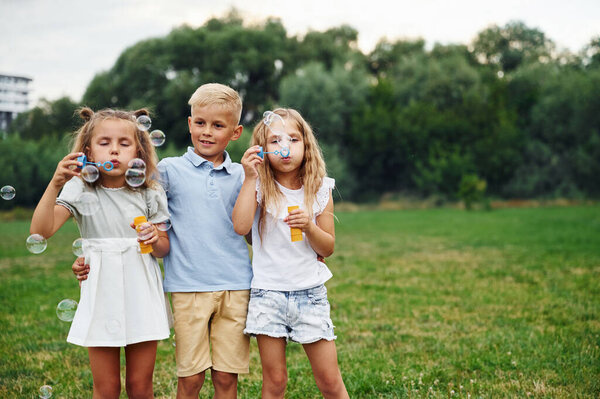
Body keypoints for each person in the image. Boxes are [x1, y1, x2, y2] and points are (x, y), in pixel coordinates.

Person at [76, 83, 253, 399]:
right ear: (189, 123)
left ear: (236, 132)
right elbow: (128, 199)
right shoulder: (168, 170)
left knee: (227, 379)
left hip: (236, 286)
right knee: (191, 378)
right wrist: (91, 251)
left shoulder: (242, 175)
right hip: (187, 287)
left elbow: (254, 228)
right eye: (200, 123)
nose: (207, 132)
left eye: (218, 125)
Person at [30, 107, 171, 398]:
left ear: (139, 151)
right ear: (88, 152)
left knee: (140, 386)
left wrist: (154, 237)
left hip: (141, 289)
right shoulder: (79, 188)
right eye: (104, 143)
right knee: (106, 388)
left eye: (124, 143)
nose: (114, 151)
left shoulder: (150, 191)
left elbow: (163, 249)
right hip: (101, 290)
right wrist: (56, 183)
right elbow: (41, 232)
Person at [232, 108, 349, 399]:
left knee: (330, 381)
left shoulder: (319, 187)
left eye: (294, 139)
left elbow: (328, 247)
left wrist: (309, 227)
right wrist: (249, 178)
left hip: (309, 293)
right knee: (275, 383)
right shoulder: (259, 185)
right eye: (275, 141)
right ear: (261, 149)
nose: (285, 148)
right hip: (267, 294)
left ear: (306, 145)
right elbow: (240, 226)